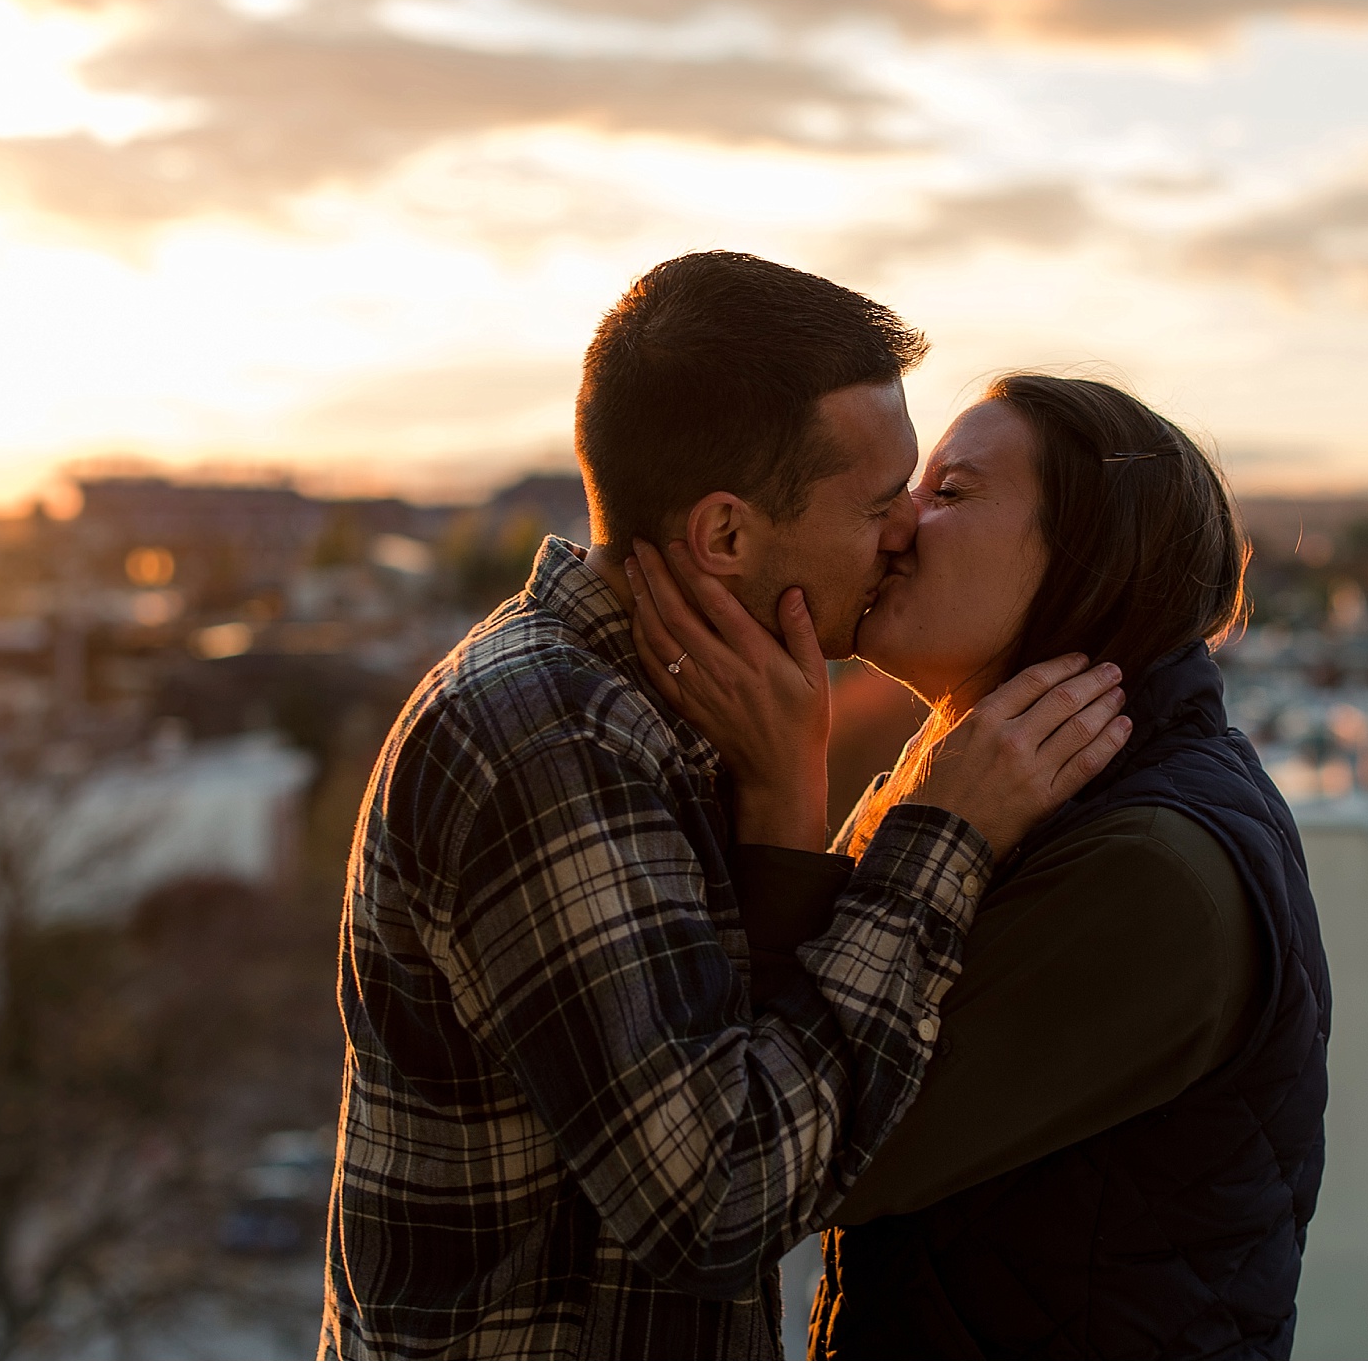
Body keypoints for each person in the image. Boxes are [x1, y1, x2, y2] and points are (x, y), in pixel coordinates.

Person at [320, 255, 1135, 1359]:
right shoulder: (553, 741)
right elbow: (720, 1192)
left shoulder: (684, 722)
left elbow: (734, 1055)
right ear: (727, 537)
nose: (904, 533)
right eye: (877, 502)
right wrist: (943, 842)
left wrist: (784, 821)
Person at [627, 373, 1331, 1358]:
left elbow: (775, 1161)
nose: (900, 524)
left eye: (950, 494)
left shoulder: (1148, 870)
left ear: (1090, 560)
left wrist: (787, 797)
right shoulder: (983, 785)